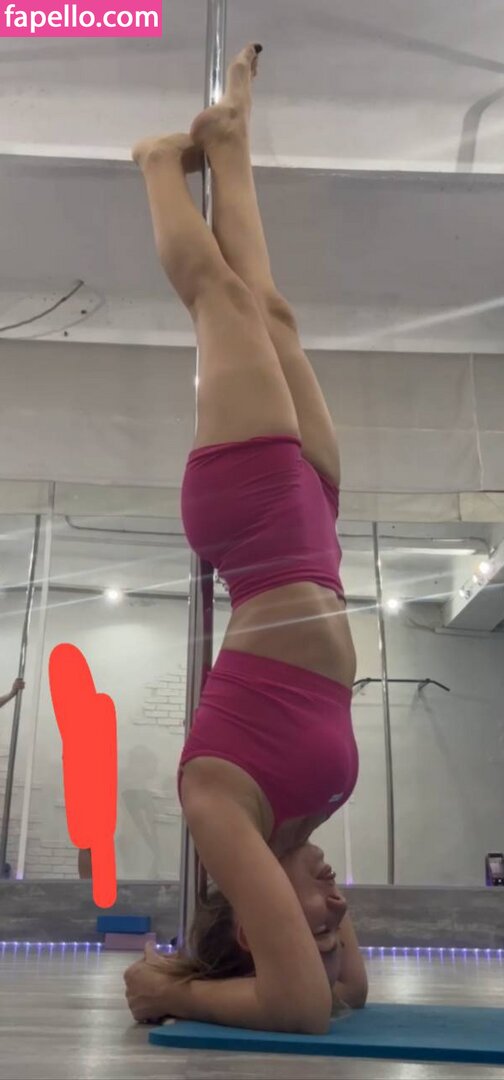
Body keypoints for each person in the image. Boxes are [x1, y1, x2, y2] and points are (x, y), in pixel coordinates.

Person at [125, 44, 367, 1034]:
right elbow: (348, 993)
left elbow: (304, 1007)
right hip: (314, 528)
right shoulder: (301, 822)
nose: (337, 910)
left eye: (316, 922)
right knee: (273, 314)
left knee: (220, 302)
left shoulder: (222, 808)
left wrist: (177, 993)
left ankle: (156, 162)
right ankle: (228, 142)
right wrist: (324, 944)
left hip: (255, 520)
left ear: (256, 926)